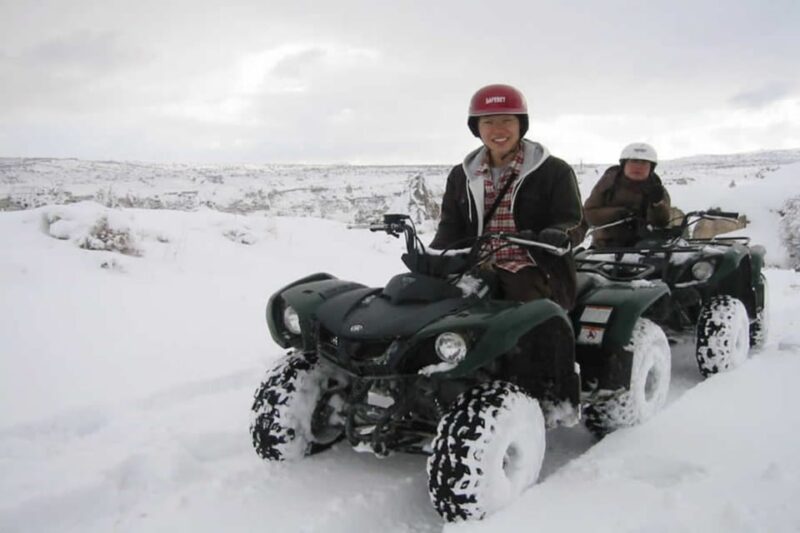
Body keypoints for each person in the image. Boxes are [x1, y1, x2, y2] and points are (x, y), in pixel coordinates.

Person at [429, 84, 585, 309]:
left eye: (506, 121)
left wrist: (558, 234)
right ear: (477, 128)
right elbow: (450, 227)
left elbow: (575, 221)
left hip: (534, 265)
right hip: (474, 264)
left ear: (521, 124)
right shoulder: (461, 175)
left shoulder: (554, 171)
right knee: (427, 298)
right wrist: (433, 258)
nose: (498, 130)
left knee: (520, 310)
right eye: (488, 122)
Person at [583, 142, 671, 248]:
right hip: (606, 246)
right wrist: (620, 213)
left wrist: (657, 205)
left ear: (651, 167)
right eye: (634, 161)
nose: (638, 167)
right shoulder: (608, 184)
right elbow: (589, 214)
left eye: (644, 163)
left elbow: (662, 222)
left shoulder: (656, 188)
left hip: (646, 246)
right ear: (624, 164)